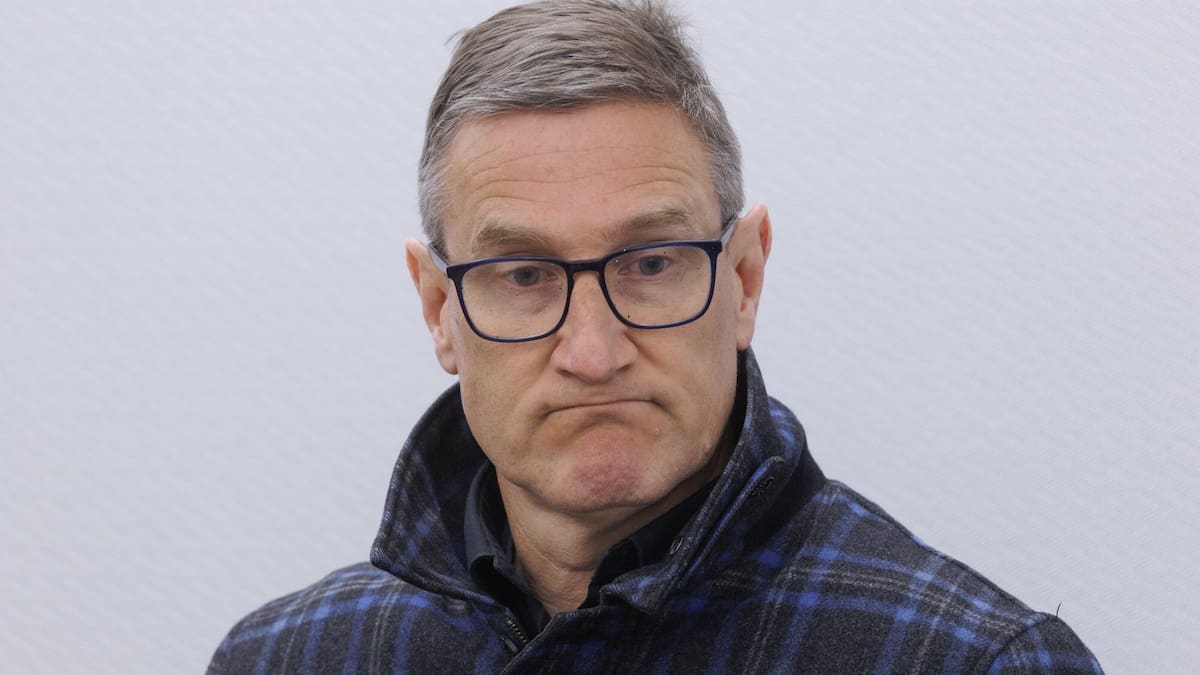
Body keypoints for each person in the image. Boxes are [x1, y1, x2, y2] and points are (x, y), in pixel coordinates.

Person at [208, 1, 1102, 672]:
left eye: (649, 262)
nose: (593, 353)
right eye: (524, 275)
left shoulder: (973, 662)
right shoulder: (283, 659)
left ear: (744, 278)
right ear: (440, 309)